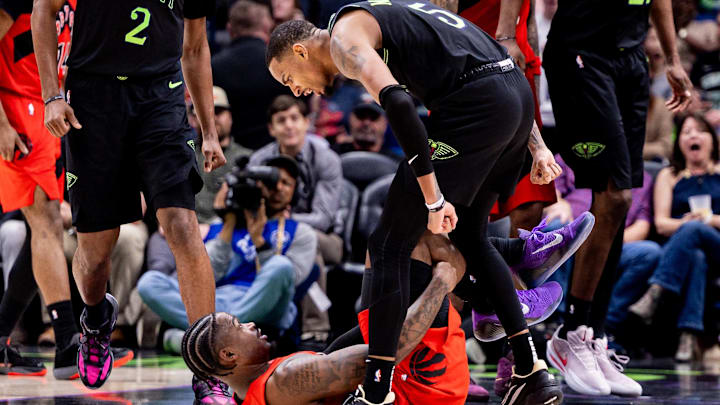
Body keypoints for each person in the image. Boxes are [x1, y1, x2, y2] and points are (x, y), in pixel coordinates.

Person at [265, 3, 563, 403]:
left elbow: (400, 105)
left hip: (476, 108)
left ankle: (376, 393)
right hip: (513, 99)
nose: (295, 90)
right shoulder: (383, 16)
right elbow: (496, 60)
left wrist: (433, 197)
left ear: (301, 51)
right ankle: (531, 370)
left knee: (388, 244)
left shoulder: (343, 41)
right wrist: (537, 146)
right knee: (471, 235)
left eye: (288, 78)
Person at [32, 1, 228, 403]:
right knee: (96, 250)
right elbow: (43, 9)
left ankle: (208, 371)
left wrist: (209, 129)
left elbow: (194, 47)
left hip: (161, 96)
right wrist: (51, 94)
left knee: (182, 225)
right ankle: (96, 316)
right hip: (93, 96)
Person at [181, 230, 563, 405]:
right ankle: (508, 283)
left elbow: (349, 351)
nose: (249, 324)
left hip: (412, 374)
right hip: (425, 385)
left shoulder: (263, 387)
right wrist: (441, 285)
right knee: (412, 240)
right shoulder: (285, 380)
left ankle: (498, 294)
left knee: (385, 244)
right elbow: (387, 353)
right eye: (237, 327)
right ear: (228, 357)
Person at [542, 0, 692, 396]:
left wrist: (673, 58)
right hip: (581, 53)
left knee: (618, 203)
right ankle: (571, 332)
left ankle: (594, 334)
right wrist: (508, 32)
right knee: (614, 196)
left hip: (630, 59)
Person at [0, 0, 90, 379]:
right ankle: (68, 341)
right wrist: (1, 123)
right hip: (17, 106)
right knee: (47, 221)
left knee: (42, 228)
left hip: (48, 106)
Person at [139, 156, 316, 349]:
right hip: (221, 300)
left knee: (281, 265)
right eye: (272, 182)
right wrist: (228, 224)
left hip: (266, 305)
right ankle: (221, 337)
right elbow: (205, 276)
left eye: (286, 183)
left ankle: (204, 337)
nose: (278, 188)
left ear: (296, 192)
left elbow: (290, 281)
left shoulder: (301, 231)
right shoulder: (224, 225)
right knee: (150, 283)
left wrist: (260, 243)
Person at [251, 96, 343, 349]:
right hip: (271, 232)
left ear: (306, 123)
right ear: (271, 128)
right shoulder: (259, 161)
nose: (289, 126)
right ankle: (258, 322)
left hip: (326, 239)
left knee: (306, 242)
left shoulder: (325, 159)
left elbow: (323, 219)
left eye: (294, 119)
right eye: (281, 121)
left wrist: (287, 220)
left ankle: (316, 330)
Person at [627, 113, 720, 362]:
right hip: (685, 253)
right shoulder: (669, 175)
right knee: (696, 256)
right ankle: (688, 336)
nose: (692, 136)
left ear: (712, 139)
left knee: (693, 230)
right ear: (680, 143)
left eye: (699, 131)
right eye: (687, 132)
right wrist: (686, 223)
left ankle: (656, 291)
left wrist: (707, 220)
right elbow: (661, 223)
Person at [212, 0, 290, 149]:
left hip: (229, 159)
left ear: (230, 28)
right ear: (267, 26)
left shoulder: (213, 66)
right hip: (278, 153)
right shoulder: (281, 63)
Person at [192, 86, 252, 224]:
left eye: (217, 111)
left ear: (230, 117)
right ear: (194, 119)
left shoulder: (248, 158)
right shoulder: (183, 156)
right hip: (187, 227)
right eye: (204, 113)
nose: (212, 118)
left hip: (229, 227)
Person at [333, 100, 402, 161]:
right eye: (361, 116)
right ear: (350, 119)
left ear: (385, 123)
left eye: (374, 118)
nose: (366, 123)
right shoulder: (332, 155)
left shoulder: (396, 164)